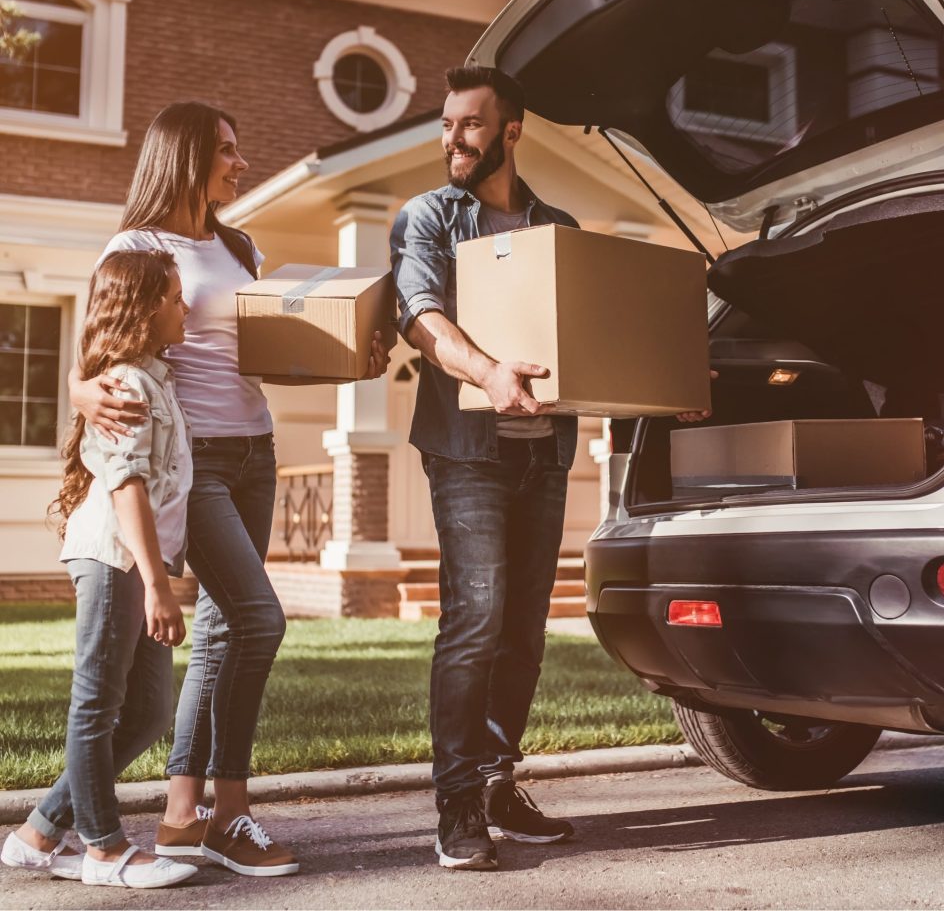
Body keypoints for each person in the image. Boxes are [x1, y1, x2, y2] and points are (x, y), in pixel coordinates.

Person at [391, 66, 712, 871]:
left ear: (511, 132)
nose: (452, 139)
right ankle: (458, 802)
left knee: (525, 630)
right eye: (445, 124)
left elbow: (597, 342)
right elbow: (422, 318)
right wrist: (492, 371)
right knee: (476, 621)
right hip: (468, 454)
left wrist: (665, 391)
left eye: (469, 124)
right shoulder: (429, 217)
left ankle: (499, 782)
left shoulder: (555, 228)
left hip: (545, 455)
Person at [69, 102, 390, 878]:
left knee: (221, 631)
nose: (240, 164)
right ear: (185, 156)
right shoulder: (137, 245)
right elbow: (99, 351)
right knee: (258, 620)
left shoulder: (238, 244)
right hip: (195, 459)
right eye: (227, 151)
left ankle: (184, 814)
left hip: (256, 448)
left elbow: (255, 354)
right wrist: (81, 398)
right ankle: (230, 812)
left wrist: (351, 360)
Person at [2, 250, 198, 890]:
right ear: (145, 309)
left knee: (146, 713)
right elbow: (126, 488)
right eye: (175, 297)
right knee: (98, 704)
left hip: (137, 561)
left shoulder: (155, 376)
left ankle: (37, 833)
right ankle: (104, 848)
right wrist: (157, 583)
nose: (185, 307)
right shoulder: (124, 386)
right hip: (115, 557)